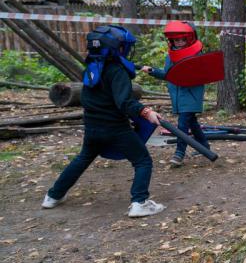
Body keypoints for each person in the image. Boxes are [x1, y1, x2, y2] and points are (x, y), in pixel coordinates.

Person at [42, 25, 166, 218]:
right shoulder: (116, 71)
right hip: (115, 128)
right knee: (142, 160)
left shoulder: (93, 67)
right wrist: (145, 111)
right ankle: (140, 202)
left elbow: (91, 98)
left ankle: (53, 196)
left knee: (83, 158)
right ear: (117, 48)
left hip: (93, 128)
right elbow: (124, 102)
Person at [141, 21, 210, 167]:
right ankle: (204, 147)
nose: (179, 42)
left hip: (191, 95)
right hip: (178, 96)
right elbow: (168, 75)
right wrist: (152, 71)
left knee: (183, 124)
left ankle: (179, 153)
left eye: (182, 39)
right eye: (176, 40)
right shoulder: (170, 56)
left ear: (189, 38)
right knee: (192, 123)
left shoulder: (196, 55)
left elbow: (202, 73)